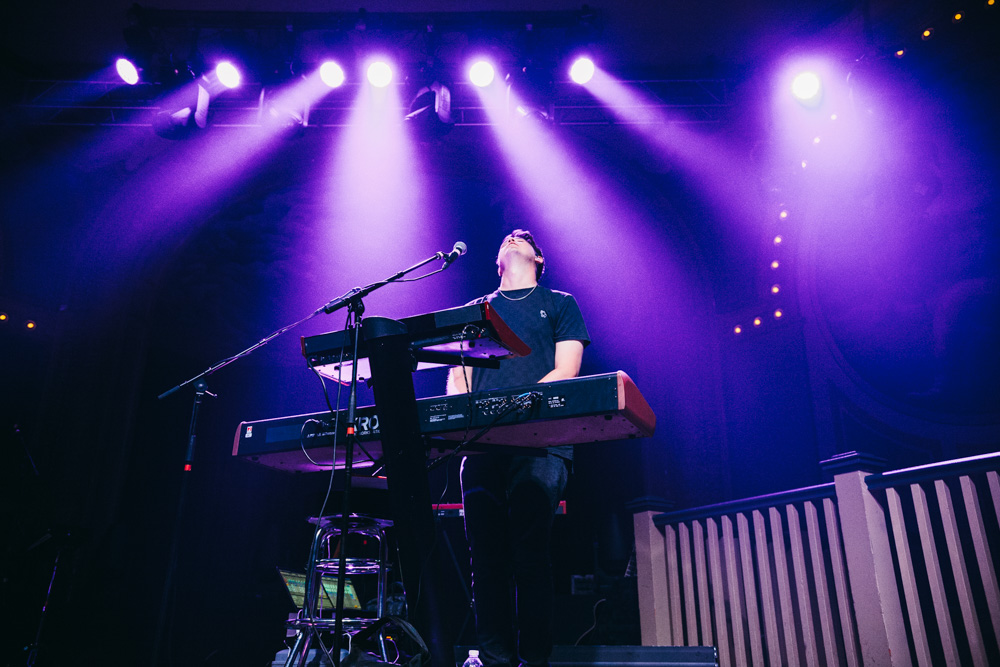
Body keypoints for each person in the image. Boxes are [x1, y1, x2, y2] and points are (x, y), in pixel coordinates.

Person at [447, 229, 590, 667]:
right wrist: (465, 414)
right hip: (483, 447)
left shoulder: (561, 303)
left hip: (542, 445)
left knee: (530, 554)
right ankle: (494, 659)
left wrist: (514, 409)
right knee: (486, 561)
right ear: (497, 260)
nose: (511, 237)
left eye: (522, 237)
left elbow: (566, 369)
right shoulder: (475, 309)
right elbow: (458, 377)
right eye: (506, 237)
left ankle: (535, 659)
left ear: (538, 258)